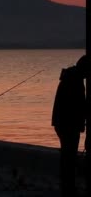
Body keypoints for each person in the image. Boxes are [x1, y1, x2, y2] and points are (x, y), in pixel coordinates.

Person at [52, 54, 89, 197]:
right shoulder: (76, 81)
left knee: (67, 157)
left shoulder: (70, 76)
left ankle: (67, 187)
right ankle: (69, 189)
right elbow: (77, 105)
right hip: (68, 124)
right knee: (69, 157)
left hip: (62, 122)